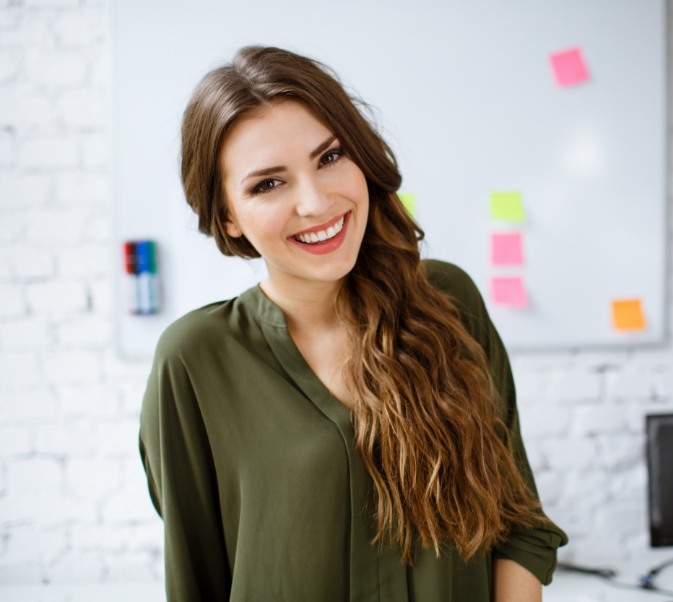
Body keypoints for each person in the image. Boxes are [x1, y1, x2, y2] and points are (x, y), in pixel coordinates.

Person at [139, 45, 567, 601]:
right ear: (227, 216)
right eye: (268, 184)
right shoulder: (195, 360)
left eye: (330, 157)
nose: (316, 202)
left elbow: (520, 526)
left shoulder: (448, 301)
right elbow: (195, 578)